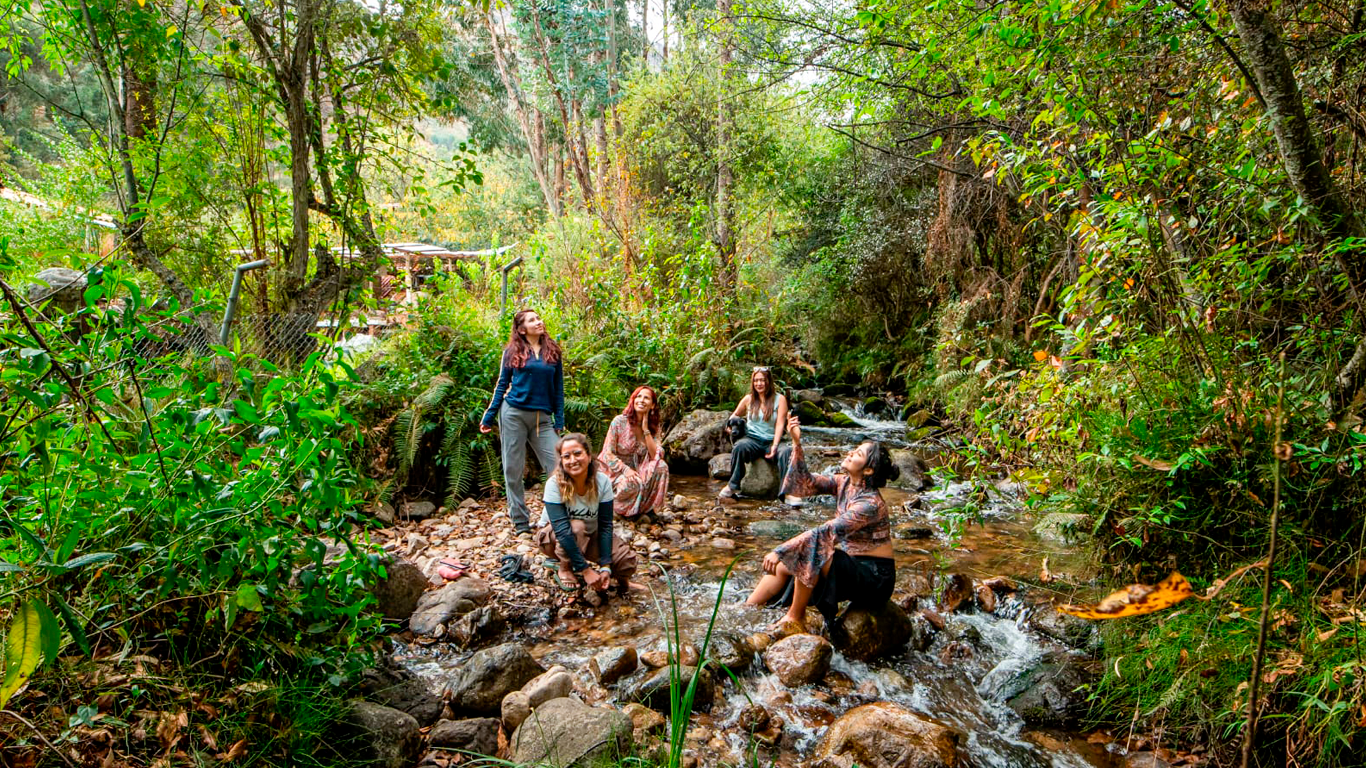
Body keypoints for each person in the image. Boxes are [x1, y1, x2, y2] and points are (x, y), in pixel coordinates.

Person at [744, 415, 900, 634]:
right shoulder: (843, 482)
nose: (851, 452)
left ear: (868, 470)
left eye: (858, 454)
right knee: (783, 566)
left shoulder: (871, 503)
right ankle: (746, 608)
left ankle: (795, 617)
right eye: (854, 449)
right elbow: (804, 484)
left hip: (875, 578)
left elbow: (826, 533)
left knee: (812, 551)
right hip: (852, 564)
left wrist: (780, 550)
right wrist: (797, 443)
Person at [480, 308, 565, 534]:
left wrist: (560, 420)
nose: (538, 322)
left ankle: (549, 518)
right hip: (513, 414)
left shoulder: (553, 351)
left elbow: (559, 389)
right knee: (513, 469)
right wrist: (489, 416)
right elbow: (501, 385)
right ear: (521, 329)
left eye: (538, 318)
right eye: (532, 320)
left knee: (559, 467)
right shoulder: (512, 351)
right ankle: (519, 522)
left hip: (543, 418)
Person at [534, 433, 639, 598]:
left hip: (590, 534)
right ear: (561, 461)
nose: (573, 460)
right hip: (552, 538)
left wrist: (606, 566)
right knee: (576, 527)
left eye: (577, 454)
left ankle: (621, 581)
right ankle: (565, 567)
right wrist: (586, 570)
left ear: (589, 456)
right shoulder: (554, 485)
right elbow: (561, 531)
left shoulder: (602, 481)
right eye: (566, 456)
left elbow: (605, 525)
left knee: (626, 560)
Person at [718, 366, 799, 505]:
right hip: (752, 439)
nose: (759, 383)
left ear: (768, 381)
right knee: (739, 447)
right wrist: (730, 426)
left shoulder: (780, 399)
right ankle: (733, 486)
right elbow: (735, 415)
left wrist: (774, 445)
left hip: (772, 440)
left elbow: (780, 424)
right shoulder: (748, 399)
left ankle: (786, 493)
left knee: (786, 452)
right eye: (756, 380)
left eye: (762, 380)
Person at [599, 385, 670, 518]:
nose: (641, 400)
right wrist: (625, 470)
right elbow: (607, 453)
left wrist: (646, 430)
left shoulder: (654, 426)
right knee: (632, 482)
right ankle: (615, 507)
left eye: (646, 398)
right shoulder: (619, 422)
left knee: (662, 467)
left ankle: (646, 508)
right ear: (633, 400)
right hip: (614, 471)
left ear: (653, 405)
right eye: (638, 396)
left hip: (638, 470)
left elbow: (656, 455)